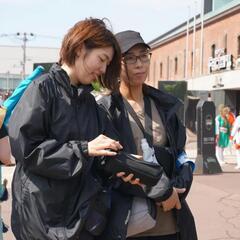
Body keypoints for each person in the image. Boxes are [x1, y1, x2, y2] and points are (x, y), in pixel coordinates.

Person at [8, 18, 125, 240]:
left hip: (80, 221)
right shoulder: (42, 89)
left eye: (107, 64)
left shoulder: (91, 104)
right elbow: (27, 149)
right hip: (41, 220)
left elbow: (99, 156)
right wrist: (83, 149)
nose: (102, 69)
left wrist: (124, 163)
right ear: (81, 48)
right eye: (101, 59)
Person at [98, 30, 197, 240]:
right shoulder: (106, 109)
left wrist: (181, 183)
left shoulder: (163, 105)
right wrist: (160, 190)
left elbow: (180, 153)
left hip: (172, 222)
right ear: (116, 63)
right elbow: (109, 164)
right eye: (130, 58)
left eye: (144, 56)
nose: (139, 64)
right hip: (130, 224)